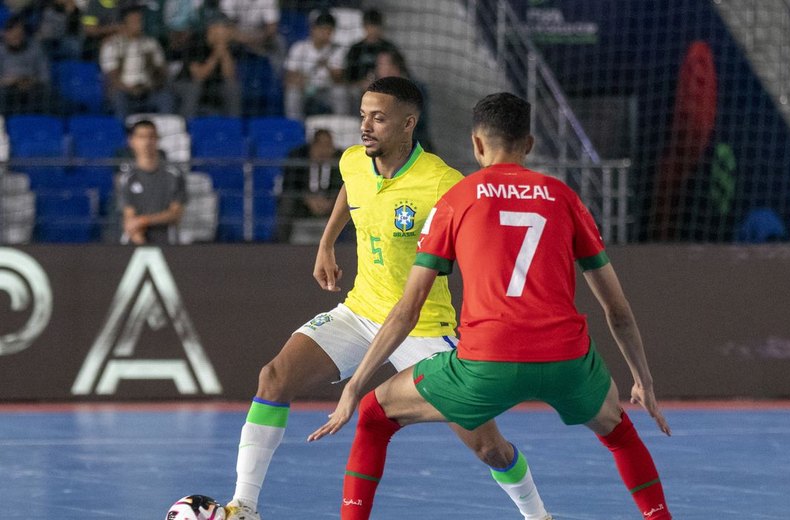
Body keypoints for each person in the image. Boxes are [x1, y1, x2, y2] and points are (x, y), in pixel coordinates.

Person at [309, 92, 673, 519]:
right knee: (620, 435)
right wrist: (642, 380)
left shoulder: (457, 200)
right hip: (567, 362)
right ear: (530, 144)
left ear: (477, 145)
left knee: (373, 416)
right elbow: (618, 310)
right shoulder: (562, 197)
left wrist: (354, 386)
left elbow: (408, 310)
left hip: (486, 363)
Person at [224, 78, 552, 520]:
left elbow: (484, 244)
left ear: (407, 125)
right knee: (274, 377)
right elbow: (350, 188)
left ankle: (537, 515)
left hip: (423, 328)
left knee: (487, 445)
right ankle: (242, 507)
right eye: (363, 116)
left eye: (378, 118)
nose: (366, 126)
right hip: (361, 312)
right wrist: (326, 242)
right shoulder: (354, 161)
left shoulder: (441, 182)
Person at [99, 5, 174, 121]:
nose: (139, 24)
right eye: (134, 21)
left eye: (140, 21)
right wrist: (130, 89)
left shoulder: (151, 43)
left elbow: (161, 70)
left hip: (149, 89)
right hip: (124, 91)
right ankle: (123, 132)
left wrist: (153, 84)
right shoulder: (112, 45)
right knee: (118, 97)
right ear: (124, 24)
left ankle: (165, 130)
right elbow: (112, 76)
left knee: (166, 97)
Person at [117, 119, 186, 245]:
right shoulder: (126, 178)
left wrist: (144, 220)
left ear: (157, 140)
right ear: (131, 141)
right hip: (136, 239)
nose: (147, 142)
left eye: (151, 136)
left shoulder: (174, 174)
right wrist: (141, 241)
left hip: (168, 241)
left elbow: (175, 214)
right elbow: (129, 216)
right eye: (141, 137)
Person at [277, 128, 343, 243]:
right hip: (303, 204)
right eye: (320, 145)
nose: (324, 150)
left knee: (352, 205)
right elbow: (290, 185)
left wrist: (332, 200)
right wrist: (307, 198)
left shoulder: (341, 159)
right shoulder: (297, 157)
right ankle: (280, 245)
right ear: (312, 146)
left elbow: (344, 186)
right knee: (286, 202)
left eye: (328, 145)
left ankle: (350, 246)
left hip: (331, 204)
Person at [283, 9, 348, 121]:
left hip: (326, 89)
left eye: (329, 30)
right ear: (313, 29)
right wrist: (302, 80)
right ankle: (295, 126)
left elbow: (339, 79)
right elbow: (289, 78)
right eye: (323, 29)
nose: (326, 33)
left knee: (340, 93)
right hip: (305, 89)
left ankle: (340, 125)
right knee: (292, 93)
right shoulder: (299, 48)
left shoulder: (337, 49)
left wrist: (327, 65)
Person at [173, 17, 242, 119]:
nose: (228, 32)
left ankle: (234, 124)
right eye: (224, 28)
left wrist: (224, 52)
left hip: (213, 85)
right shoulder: (195, 42)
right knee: (194, 88)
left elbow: (230, 76)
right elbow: (200, 75)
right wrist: (217, 53)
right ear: (212, 29)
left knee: (233, 87)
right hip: (186, 83)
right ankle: (187, 124)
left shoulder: (229, 46)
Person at [374, 47, 434, 151]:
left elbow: (419, 120)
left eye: (382, 65)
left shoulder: (414, 89)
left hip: (415, 145)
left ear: (394, 67)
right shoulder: (378, 89)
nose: (378, 69)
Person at [344, 9, 399, 106]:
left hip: (385, 87)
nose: (373, 30)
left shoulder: (389, 48)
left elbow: (400, 71)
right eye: (370, 26)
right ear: (364, 27)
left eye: (376, 26)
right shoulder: (356, 49)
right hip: (358, 89)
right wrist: (360, 84)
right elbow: (347, 77)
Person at [0, 15, 53, 114]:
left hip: (32, 88)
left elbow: (45, 77)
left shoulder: (36, 49)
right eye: (13, 35)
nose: (16, 38)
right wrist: (11, 81)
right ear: (6, 34)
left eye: (19, 35)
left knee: (48, 95)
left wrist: (32, 80)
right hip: (7, 90)